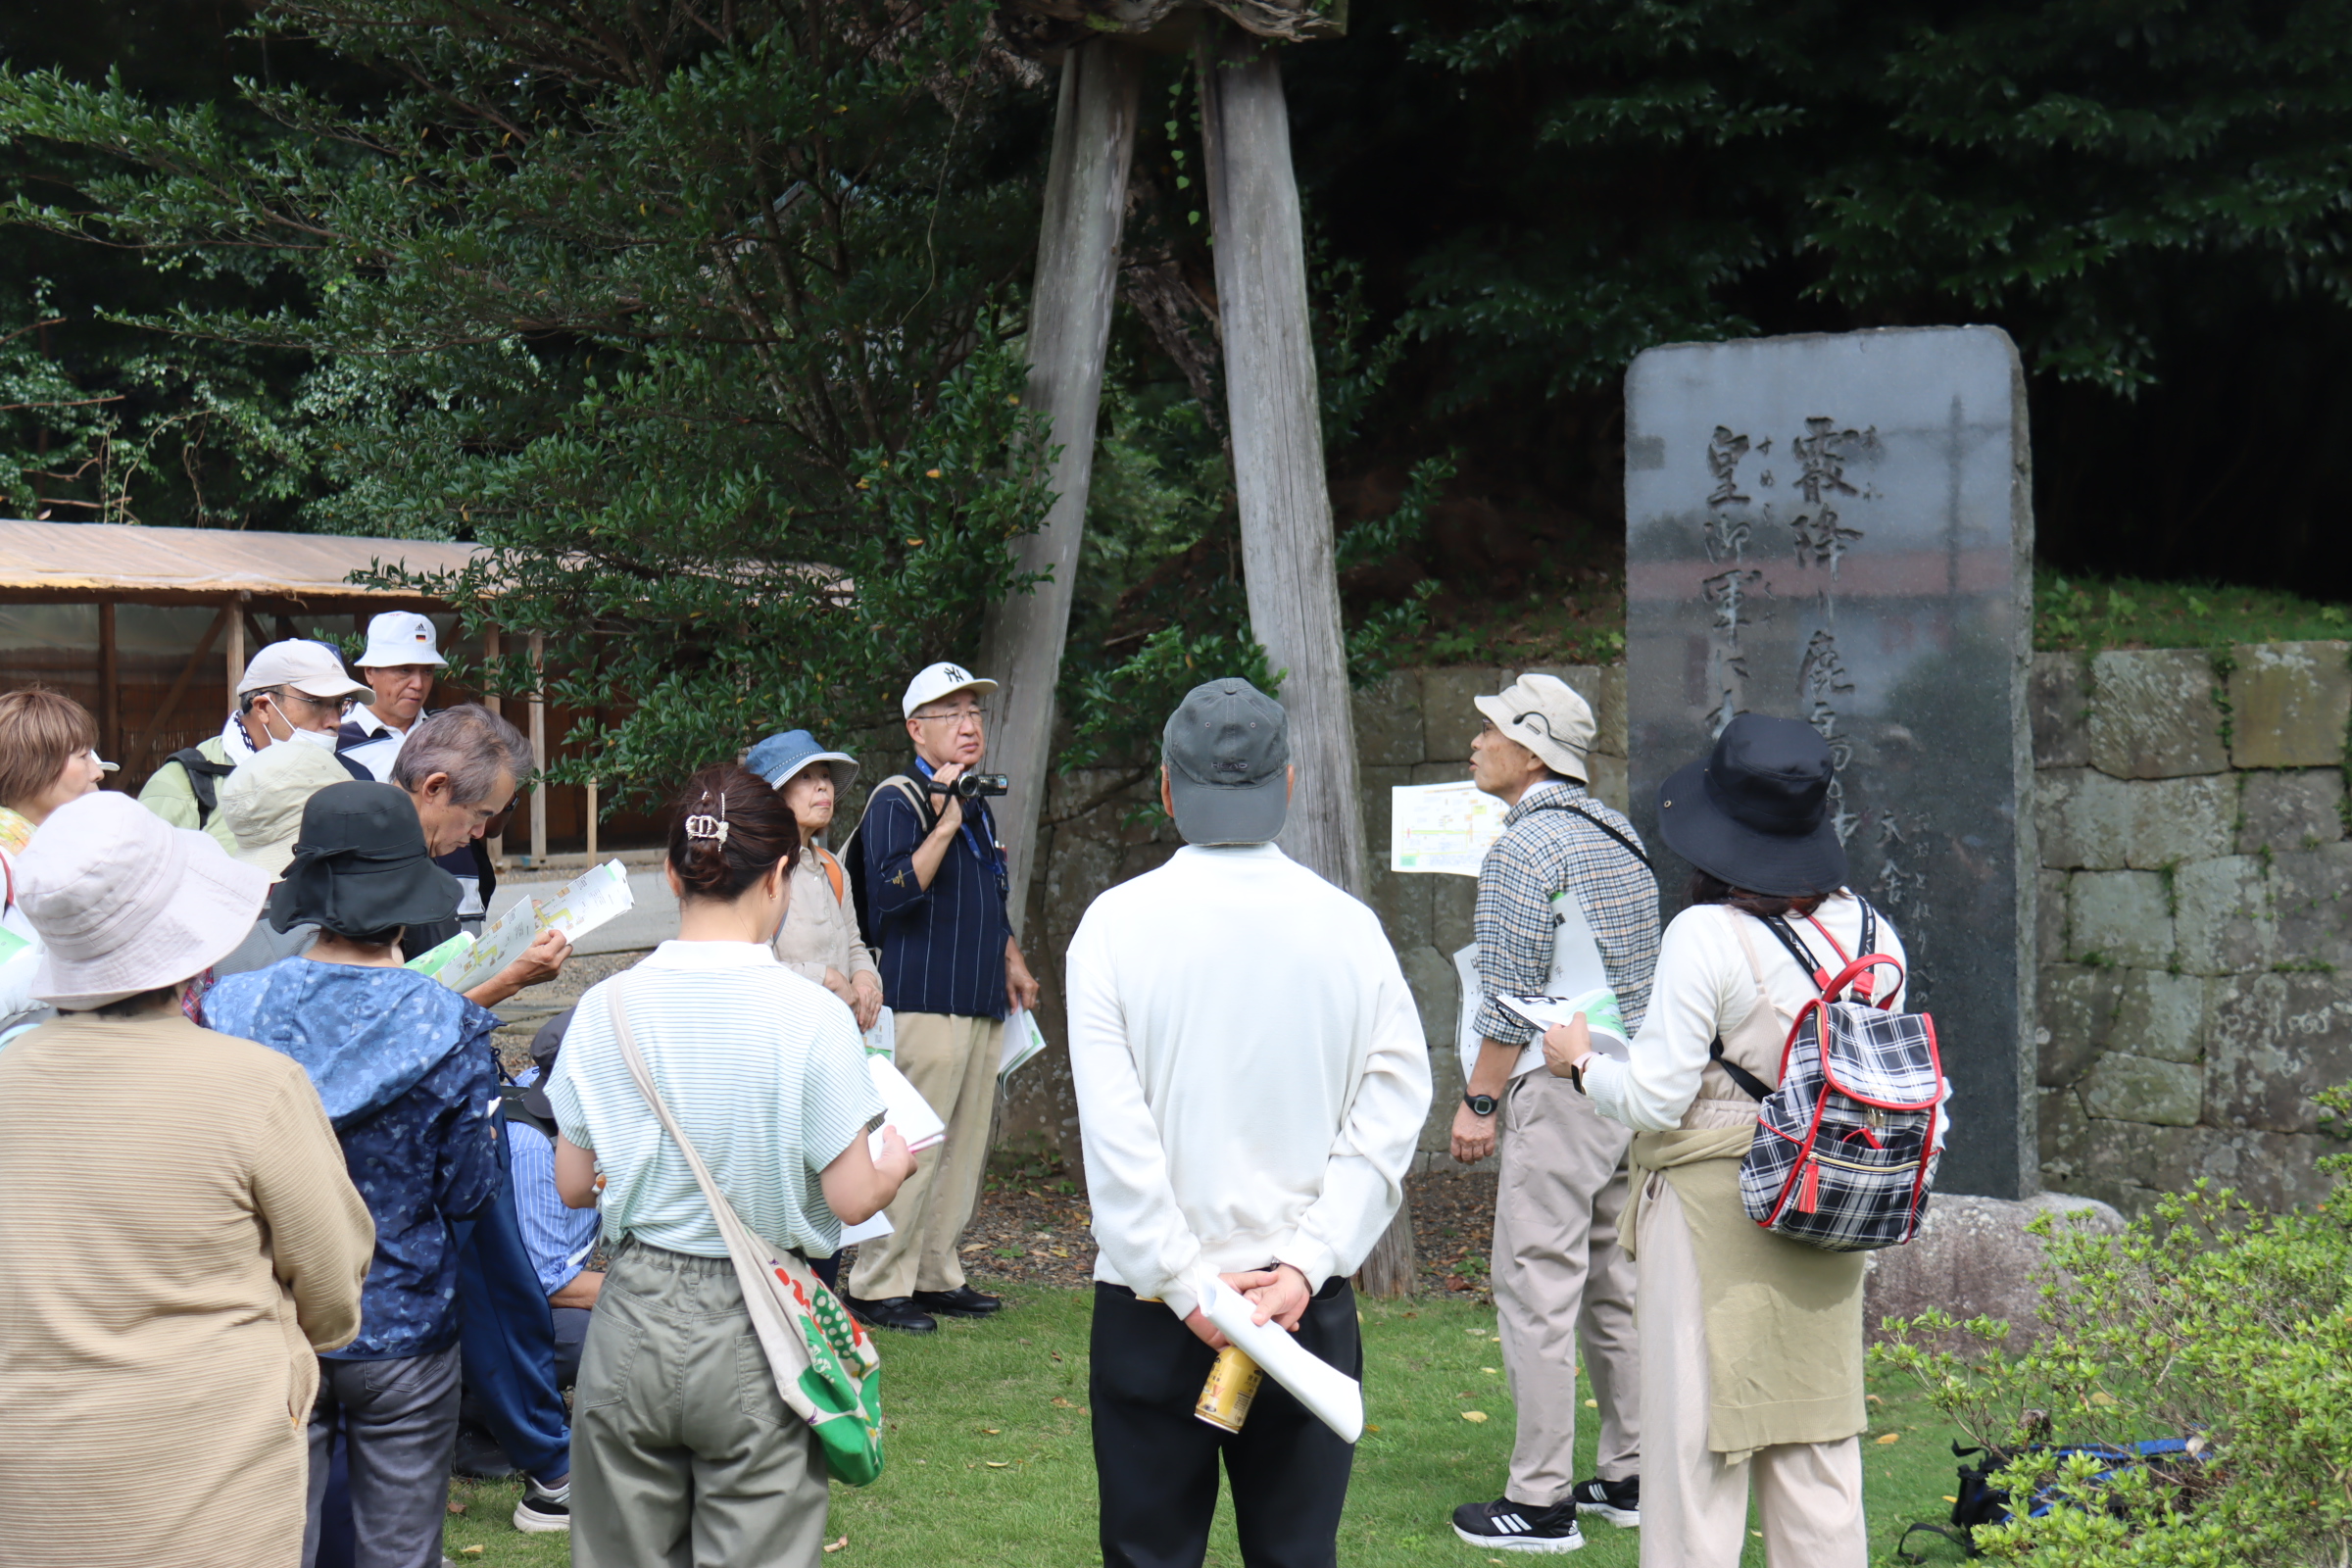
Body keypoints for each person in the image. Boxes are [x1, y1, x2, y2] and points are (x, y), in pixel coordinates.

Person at [1066, 678, 1433, 1568]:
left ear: (1166, 786)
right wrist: (1308, 1262)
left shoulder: (1112, 929)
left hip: (1159, 1306)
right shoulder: (1350, 930)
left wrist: (1194, 1288)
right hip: (1298, 1303)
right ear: (1290, 783)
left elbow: (1119, 1147)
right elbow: (1391, 1112)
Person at [1550, 714, 1900, 1567]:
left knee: (1694, 1450)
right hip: (1826, 1204)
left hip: (1715, 1210)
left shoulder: (1705, 935)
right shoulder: (1871, 933)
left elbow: (1659, 1100)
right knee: (1818, 1449)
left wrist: (1581, 1067)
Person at [546, 764, 916, 1567]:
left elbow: (573, 1184)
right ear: (782, 875)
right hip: (764, 1318)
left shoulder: (603, 1007)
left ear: (674, 873)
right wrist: (894, 1163)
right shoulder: (813, 1017)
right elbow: (852, 1197)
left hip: (631, 1309)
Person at [0, 790, 373, 1568]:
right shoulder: (255, 1086)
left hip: (29, 1489)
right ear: (190, 947)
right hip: (212, 1481)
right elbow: (334, 1293)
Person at [204, 781, 504, 1568]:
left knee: (267, 1550)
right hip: (403, 1325)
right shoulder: (450, 1026)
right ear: (407, 896)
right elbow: (470, 1188)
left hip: (268, 1319)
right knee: (400, 1556)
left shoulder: (228, 1011)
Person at [1447, 673, 1658, 1551]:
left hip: (1555, 1085)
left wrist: (1479, 1099)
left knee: (1536, 1284)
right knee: (1615, 1283)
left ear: (1530, 750)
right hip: (1625, 1087)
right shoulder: (1620, 834)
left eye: (1489, 729)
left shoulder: (1525, 848)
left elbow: (1508, 998)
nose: (1475, 740)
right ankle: (1633, 1475)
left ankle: (1538, 1502)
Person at [844, 662, 1042, 1333]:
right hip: (924, 997)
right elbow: (895, 891)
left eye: (975, 712)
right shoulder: (896, 799)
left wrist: (1011, 959)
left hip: (980, 993)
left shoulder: (974, 800)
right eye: (951, 713)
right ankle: (876, 1284)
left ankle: (935, 1274)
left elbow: (988, 893)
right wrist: (947, 821)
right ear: (914, 728)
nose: (968, 725)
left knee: (963, 1146)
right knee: (915, 1144)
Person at [387, 704, 567, 1005]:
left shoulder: (408, 849)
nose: (480, 832)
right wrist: (509, 980)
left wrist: (509, 940)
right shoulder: (372, 867)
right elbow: (398, 1025)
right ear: (435, 787)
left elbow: (437, 972)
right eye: (478, 815)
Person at [141, 639, 373, 851]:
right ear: (263, 707)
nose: (335, 721)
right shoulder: (187, 782)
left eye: (340, 704)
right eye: (316, 702)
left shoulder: (354, 778)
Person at [749, 727, 883, 1032]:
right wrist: (826, 977)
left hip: (837, 1038)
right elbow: (750, 968)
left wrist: (864, 979)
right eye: (806, 778)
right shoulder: (756, 871)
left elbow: (853, 944)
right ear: (775, 795)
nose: (824, 786)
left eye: (824, 776)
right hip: (783, 1040)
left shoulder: (832, 868)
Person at [0, 688, 114, 1042]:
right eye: (83, 756)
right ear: (32, 764)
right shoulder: (5, 856)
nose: (97, 772)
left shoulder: (36, 847)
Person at [335, 611, 447, 781]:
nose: (418, 684)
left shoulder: (447, 733)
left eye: (427, 671)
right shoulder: (337, 737)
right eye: (404, 670)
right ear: (370, 672)